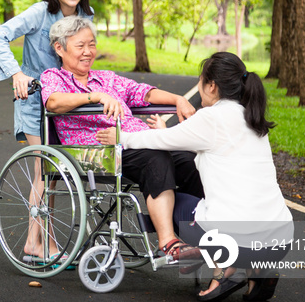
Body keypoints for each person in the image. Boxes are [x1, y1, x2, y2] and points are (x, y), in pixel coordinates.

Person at [98, 51, 293, 302]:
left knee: (173, 203)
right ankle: (259, 271)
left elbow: (160, 141)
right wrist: (167, 132)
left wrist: (121, 137)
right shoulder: (252, 116)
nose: (200, 88)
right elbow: (206, 145)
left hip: (238, 242)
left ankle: (224, 270)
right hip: (281, 239)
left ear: (212, 86)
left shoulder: (211, 117)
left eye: (200, 81)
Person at [40, 15, 204, 261]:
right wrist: (95, 97)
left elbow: (143, 92)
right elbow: (53, 101)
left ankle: (195, 235)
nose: (88, 52)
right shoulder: (54, 77)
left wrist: (178, 99)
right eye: (80, 46)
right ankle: (168, 242)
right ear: (60, 48)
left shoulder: (107, 78)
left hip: (138, 141)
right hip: (101, 151)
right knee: (155, 159)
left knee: (193, 162)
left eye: (92, 44)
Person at [0, 0, 94, 260]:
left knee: (52, 174)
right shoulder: (38, 13)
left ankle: (37, 244)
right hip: (35, 103)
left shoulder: (85, 16)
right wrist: (17, 73)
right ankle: (41, 244)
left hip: (64, 106)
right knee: (45, 170)